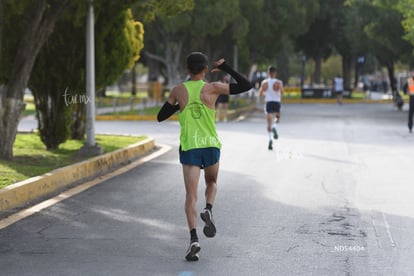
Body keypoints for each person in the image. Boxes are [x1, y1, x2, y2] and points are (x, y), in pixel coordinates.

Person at [157, 52, 252, 261]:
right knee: (212, 182)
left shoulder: (178, 90)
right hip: (210, 145)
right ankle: (209, 209)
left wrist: (180, 105)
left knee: (190, 195)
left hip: (190, 147)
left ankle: (193, 239)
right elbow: (246, 85)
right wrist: (226, 67)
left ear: (187, 69)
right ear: (205, 69)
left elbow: (160, 117)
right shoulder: (213, 88)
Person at [259, 66, 283, 150]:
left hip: (268, 102)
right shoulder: (279, 82)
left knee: (268, 123)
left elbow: (260, 93)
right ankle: (274, 127)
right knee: (277, 118)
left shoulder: (264, 82)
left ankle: (270, 140)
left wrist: (267, 94)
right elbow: (281, 92)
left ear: (268, 73)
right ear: (275, 73)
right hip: (276, 102)